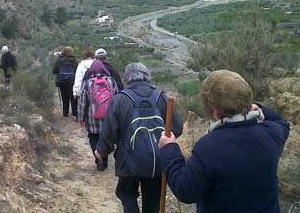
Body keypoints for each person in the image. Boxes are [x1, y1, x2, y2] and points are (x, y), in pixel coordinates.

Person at [159, 70, 290, 213]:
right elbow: (281, 122)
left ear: (214, 111)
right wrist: (258, 108)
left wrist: (169, 148)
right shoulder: (271, 133)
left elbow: (185, 190)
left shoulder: (208, 147)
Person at [95, 62, 183, 213]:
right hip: (157, 160)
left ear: (128, 78)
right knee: (153, 199)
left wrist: (101, 151)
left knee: (126, 194)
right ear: (147, 76)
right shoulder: (161, 97)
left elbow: (109, 131)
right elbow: (177, 128)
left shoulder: (120, 99)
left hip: (128, 162)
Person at [78, 59, 118, 171]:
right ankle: (104, 160)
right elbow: (117, 99)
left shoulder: (87, 83)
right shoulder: (111, 81)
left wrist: (81, 118)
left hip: (92, 118)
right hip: (108, 118)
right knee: (106, 138)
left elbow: (82, 102)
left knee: (93, 138)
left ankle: (97, 158)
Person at [52, 46, 78, 117]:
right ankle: (75, 113)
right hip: (72, 81)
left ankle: (65, 113)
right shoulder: (74, 60)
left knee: (64, 98)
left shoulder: (59, 60)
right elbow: (77, 70)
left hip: (62, 82)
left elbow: (54, 71)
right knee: (73, 98)